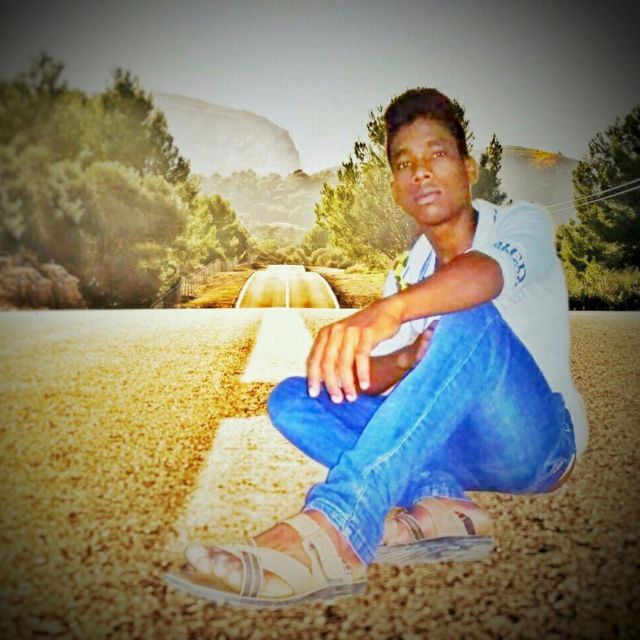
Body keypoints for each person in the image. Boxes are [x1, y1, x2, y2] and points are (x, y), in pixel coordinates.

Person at [164, 87, 588, 608]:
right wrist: (406, 356)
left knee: (469, 314)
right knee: (294, 399)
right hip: (451, 450)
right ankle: (442, 502)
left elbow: (484, 277)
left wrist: (388, 312)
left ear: (469, 169)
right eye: (405, 163)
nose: (421, 172)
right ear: (395, 188)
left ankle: (339, 529)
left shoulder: (521, 222)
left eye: (437, 154)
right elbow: (380, 379)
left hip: (537, 445)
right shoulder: (409, 270)